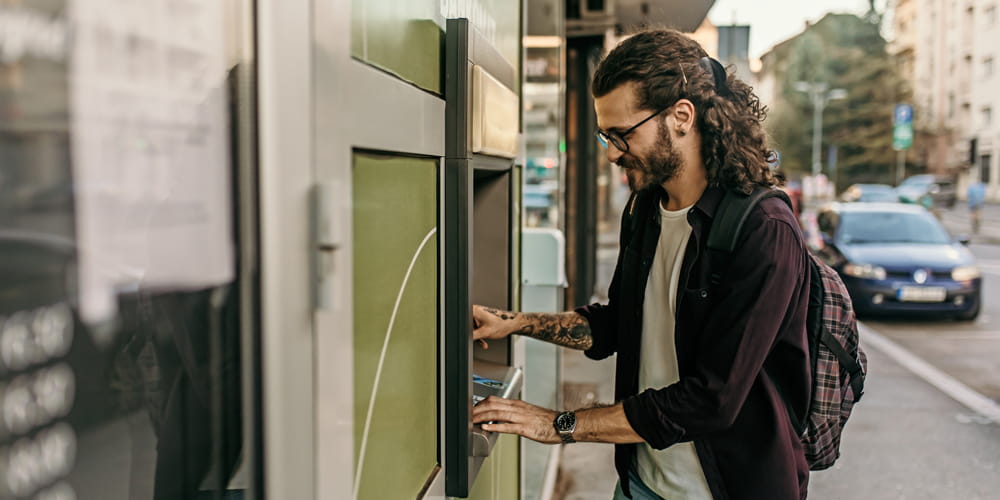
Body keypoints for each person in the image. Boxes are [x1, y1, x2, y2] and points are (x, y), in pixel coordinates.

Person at [472, 30, 812, 500]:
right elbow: (619, 323)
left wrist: (557, 425)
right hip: (641, 482)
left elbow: (711, 400)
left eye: (621, 134)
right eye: (604, 135)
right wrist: (513, 323)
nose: (611, 151)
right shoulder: (646, 211)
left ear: (681, 117)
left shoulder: (764, 229)